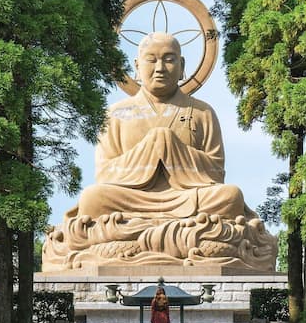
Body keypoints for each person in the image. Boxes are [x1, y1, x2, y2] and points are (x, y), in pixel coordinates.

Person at [77, 32, 245, 220]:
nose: (160, 68)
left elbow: (216, 171)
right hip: (132, 199)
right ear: (137, 67)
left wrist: (170, 145)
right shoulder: (115, 114)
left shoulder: (202, 112)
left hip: (189, 197)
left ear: (181, 66)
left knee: (230, 196)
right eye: (151, 60)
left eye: (169, 60)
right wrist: (153, 145)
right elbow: (104, 172)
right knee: (92, 198)